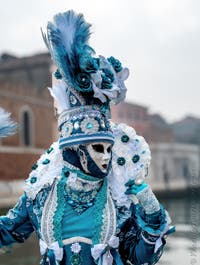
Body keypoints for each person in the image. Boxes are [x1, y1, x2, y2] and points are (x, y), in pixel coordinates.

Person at [0, 10, 175, 265]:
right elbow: (6, 231)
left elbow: (140, 257)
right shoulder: (40, 195)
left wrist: (151, 216)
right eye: (97, 148)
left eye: (108, 148)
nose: (106, 156)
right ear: (75, 150)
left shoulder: (120, 197)